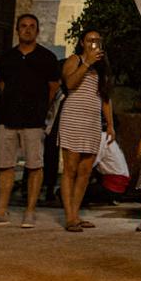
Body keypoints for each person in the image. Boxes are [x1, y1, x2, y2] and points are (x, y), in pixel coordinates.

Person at [0, 14, 60, 229]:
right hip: (8, 117)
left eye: (32, 26)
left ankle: (30, 212)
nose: (28, 30)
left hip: (34, 120)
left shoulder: (47, 58)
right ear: (17, 30)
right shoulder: (7, 58)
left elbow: (53, 87)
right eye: (23, 26)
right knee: (6, 165)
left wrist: (41, 107)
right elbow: (2, 85)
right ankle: (1, 211)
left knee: (34, 165)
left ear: (38, 30)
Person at [58, 30, 115, 232]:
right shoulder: (75, 60)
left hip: (92, 122)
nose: (94, 43)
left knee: (84, 171)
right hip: (73, 119)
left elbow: (105, 98)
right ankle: (69, 217)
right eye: (90, 40)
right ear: (82, 42)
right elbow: (70, 83)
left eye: (97, 40)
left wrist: (110, 124)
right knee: (71, 169)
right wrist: (87, 63)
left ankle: (76, 213)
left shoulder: (102, 66)